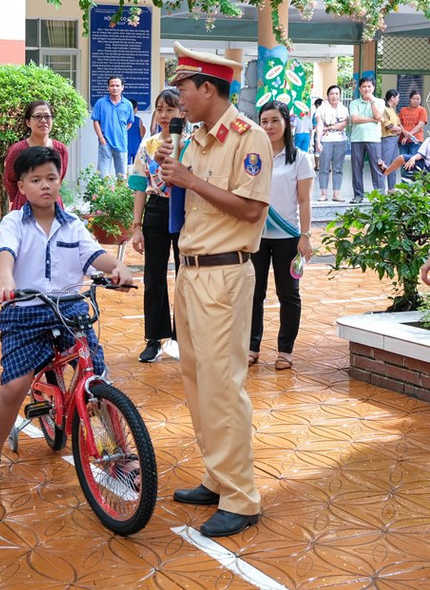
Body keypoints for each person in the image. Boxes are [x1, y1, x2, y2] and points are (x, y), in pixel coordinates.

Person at [154, 42, 272, 538]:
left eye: (184, 88)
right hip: (190, 271)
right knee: (197, 380)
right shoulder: (195, 138)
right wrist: (167, 168)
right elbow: (174, 190)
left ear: (209, 87)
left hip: (225, 274)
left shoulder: (249, 138)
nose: (178, 98)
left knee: (225, 386)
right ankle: (218, 478)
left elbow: (250, 211)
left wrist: (189, 181)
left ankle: (242, 498)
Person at [0, 146, 135, 490]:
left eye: (51, 178)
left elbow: (95, 254)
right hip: (25, 311)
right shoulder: (14, 222)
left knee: (97, 376)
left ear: (60, 181)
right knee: (15, 385)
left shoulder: (73, 224)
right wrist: (6, 280)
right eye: (36, 180)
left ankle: (120, 449)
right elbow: (6, 254)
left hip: (70, 309)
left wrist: (117, 268)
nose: (45, 185)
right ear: (21, 187)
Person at [248, 101, 314, 371]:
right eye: (264, 121)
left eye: (275, 120)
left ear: (287, 123)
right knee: (253, 293)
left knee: (289, 294)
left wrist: (306, 235)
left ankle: (285, 350)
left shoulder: (300, 158)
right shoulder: (252, 157)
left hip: (288, 236)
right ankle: (251, 347)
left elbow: (304, 201)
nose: (269, 126)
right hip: (256, 236)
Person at [128, 88, 183, 363]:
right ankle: (154, 338)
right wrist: (136, 227)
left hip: (186, 213)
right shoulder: (147, 144)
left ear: (181, 112)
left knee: (186, 277)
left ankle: (181, 336)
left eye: (170, 109)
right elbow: (139, 185)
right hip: (157, 212)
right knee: (153, 279)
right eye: (160, 109)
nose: (164, 115)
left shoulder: (192, 143)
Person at [3, 100, 68, 211]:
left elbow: (59, 178)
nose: (43, 120)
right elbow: (10, 181)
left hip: (53, 206)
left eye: (47, 116)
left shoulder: (60, 149)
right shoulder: (17, 150)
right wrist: (23, 197)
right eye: (37, 116)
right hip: (25, 205)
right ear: (28, 122)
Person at [348, 76, 384, 203]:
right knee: (356, 168)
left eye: (369, 86)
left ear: (373, 88)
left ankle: (379, 196)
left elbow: (378, 115)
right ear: (359, 88)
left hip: (374, 139)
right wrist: (372, 120)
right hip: (357, 139)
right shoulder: (354, 103)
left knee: (377, 167)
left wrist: (372, 101)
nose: (366, 89)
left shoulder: (380, 102)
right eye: (364, 86)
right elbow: (354, 120)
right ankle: (358, 195)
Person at [91, 76, 134, 177]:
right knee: (102, 175)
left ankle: (118, 193)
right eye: (112, 85)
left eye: (117, 85)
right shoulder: (101, 103)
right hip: (105, 144)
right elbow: (96, 121)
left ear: (122, 87)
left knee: (121, 176)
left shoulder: (127, 104)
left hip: (122, 144)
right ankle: (102, 193)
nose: (115, 88)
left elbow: (130, 122)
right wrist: (101, 138)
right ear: (108, 88)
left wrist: (121, 132)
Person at [315, 86, 349, 202]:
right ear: (327, 95)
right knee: (324, 168)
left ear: (340, 95)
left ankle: (336, 194)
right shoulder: (321, 109)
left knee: (338, 168)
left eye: (337, 94)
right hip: (326, 140)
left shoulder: (344, 109)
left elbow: (344, 124)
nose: (334, 96)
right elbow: (320, 124)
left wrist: (328, 127)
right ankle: (323, 193)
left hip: (341, 140)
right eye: (332, 94)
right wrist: (318, 141)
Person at [399, 90, 428, 177]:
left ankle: (413, 187)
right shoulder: (403, 110)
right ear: (410, 99)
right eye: (414, 99)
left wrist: (408, 135)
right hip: (403, 141)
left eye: (418, 99)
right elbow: (399, 123)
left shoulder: (422, 110)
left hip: (416, 141)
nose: (416, 101)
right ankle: (404, 184)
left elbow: (420, 125)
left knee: (414, 163)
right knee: (403, 162)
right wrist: (404, 132)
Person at [379, 90, 403, 191]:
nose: (398, 99)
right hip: (387, 139)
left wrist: (399, 129)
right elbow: (388, 125)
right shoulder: (384, 109)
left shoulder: (392, 110)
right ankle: (380, 189)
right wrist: (398, 129)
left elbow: (398, 123)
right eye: (397, 97)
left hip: (394, 139)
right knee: (385, 164)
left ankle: (391, 189)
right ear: (392, 98)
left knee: (393, 164)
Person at [126, 99, 146, 165]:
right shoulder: (138, 120)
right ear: (134, 109)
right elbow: (141, 133)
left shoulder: (124, 119)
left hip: (126, 144)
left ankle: (126, 175)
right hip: (136, 145)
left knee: (126, 165)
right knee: (137, 166)